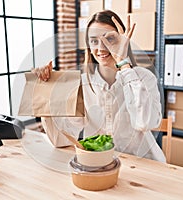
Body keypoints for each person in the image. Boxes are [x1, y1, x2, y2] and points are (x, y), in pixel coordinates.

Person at [32, 10, 166, 162]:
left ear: (123, 41)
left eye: (110, 39)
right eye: (94, 41)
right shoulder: (82, 84)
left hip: (144, 164)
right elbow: (60, 140)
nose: (101, 48)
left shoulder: (143, 77)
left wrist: (123, 63)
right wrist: (46, 90)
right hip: (100, 163)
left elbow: (144, 122)